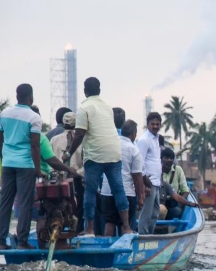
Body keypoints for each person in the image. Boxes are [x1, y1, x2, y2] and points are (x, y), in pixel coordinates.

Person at [65, 77, 132, 236]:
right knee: (118, 189)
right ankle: (127, 228)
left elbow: (80, 133)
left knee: (90, 191)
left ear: (85, 91)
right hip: (114, 152)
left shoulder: (84, 108)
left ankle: (89, 229)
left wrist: (68, 153)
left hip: (95, 155)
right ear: (99, 90)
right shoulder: (108, 107)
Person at [0, 83, 43, 250]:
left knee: (5, 202)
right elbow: (35, 146)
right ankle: (22, 241)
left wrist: (4, 158)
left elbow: (0, 140)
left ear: (17, 96)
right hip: (25, 165)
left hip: (8, 163)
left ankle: (1, 241)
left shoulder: (4, 114)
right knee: (25, 202)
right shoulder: (34, 117)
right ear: (31, 97)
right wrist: (38, 169)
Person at [100, 120, 145, 237]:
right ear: (134, 133)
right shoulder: (133, 149)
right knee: (124, 225)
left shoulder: (110, 146)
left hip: (106, 191)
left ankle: (106, 252)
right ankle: (124, 252)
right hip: (126, 192)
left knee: (109, 223)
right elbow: (137, 176)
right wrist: (140, 197)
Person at [50, 112, 85, 230]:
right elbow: (87, 163)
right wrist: (78, 173)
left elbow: (49, 161)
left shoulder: (54, 140)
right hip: (75, 180)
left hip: (58, 181)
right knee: (77, 209)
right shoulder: (82, 140)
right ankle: (76, 231)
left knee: (57, 209)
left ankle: (57, 231)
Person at [136, 112, 163, 234]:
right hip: (148, 182)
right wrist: (143, 183)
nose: (155, 126)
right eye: (153, 124)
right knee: (146, 214)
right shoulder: (144, 140)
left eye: (158, 124)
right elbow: (139, 162)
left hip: (156, 182)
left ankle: (149, 235)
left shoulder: (156, 139)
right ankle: (143, 237)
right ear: (148, 125)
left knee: (155, 212)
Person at [160, 147, 190, 220]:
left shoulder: (178, 170)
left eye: (171, 158)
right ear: (161, 159)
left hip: (173, 203)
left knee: (177, 212)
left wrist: (180, 203)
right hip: (159, 203)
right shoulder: (156, 170)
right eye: (166, 158)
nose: (169, 160)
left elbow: (185, 190)